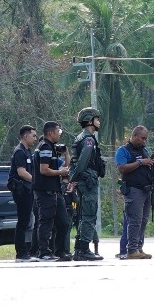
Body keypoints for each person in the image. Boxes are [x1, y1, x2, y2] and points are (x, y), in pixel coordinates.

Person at [69, 107, 106, 261]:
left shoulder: (81, 137)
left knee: (83, 215)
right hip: (87, 179)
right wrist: (75, 178)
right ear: (90, 121)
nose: (99, 122)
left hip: (83, 179)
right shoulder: (89, 140)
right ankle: (83, 249)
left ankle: (79, 249)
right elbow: (83, 161)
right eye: (97, 119)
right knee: (89, 214)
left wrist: (74, 179)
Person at [31, 121, 71, 261]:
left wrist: (66, 156)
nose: (59, 134)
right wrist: (60, 173)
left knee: (64, 222)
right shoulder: (45, 147)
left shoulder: (52, 147)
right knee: (46, 221)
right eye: (57, 131)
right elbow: (44, 170)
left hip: (55, 190)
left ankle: (60, 250)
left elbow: (64, 166)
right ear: (50, 133)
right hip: (45, 190)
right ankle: (44, 251)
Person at [116, 125, 154, 259]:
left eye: (146, 138)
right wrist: (140, 162)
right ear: (134, 136)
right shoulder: (123, 151)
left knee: (143, 220)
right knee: (134, 220)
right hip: (133, 190)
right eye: (142, 138)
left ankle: (139, 248)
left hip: (146, 190)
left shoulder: (144, 150)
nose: (144, 141)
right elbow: (122, 168)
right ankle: (131, 249)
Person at [8, 125, 37, 261]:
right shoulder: (20, 151)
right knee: (23, 222)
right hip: (22, 190)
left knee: (26, 222)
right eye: (33, 136)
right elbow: (21, 172)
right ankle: (21, 253)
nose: (35, 139)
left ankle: (26, 251)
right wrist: (37, 182)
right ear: (25, 136)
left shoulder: (27, 151)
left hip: (27, 189)